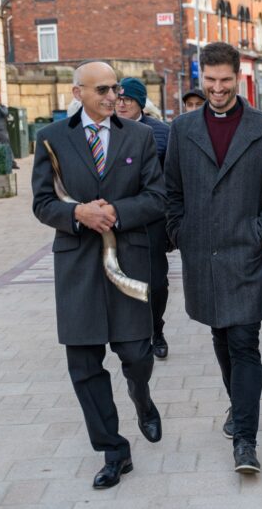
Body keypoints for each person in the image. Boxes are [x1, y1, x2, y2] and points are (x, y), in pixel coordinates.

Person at [31, 61, 165, 489]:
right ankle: (113, 450)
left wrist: (115, 213)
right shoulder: (51, 139)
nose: (113, 96)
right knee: (84, 367)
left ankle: (142, 399)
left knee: (137, 356)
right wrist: (76, 213)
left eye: (117, 90)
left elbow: (157, 196)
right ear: (78, 93)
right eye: (103, 90)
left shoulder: (140, 136)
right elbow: (41, 203)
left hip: (127, 261)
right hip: (77, 267)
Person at [163, 42, 262, 474]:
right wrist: (181, 233)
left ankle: (246, 441)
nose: (217, 89)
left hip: (247, 253)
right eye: (210, 81)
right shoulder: (182, 128)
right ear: (201, 77)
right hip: (203, 255)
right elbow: (172, 191)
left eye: (225, 81)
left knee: (244, 343)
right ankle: (239, 409)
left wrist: (259, 234)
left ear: (239, 77)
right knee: (221, 338)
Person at [116, 77, 171, 360]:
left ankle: (156, 328)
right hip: (119, 218)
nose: (121, 103)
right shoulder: (108, 129)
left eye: (128, 99)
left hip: (153, 220)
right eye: (119, 98)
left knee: (157, 282)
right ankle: (135, 332)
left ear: (140, 102)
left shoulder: (162, 132)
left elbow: (173, 178)